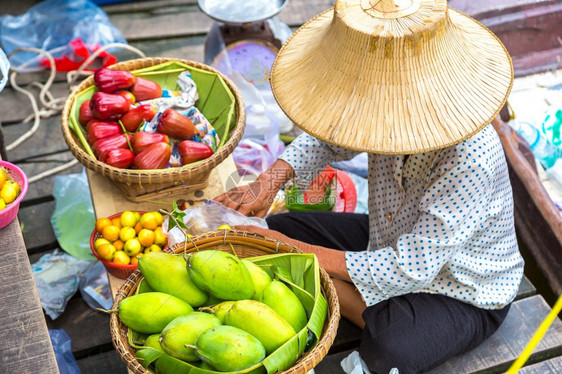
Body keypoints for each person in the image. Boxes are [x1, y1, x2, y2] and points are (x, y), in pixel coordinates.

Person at [215, 0, 525, 372]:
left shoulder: (470, 159)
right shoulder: (383, 109)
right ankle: (324, 278)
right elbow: (330, 138)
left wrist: (297, 252)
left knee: (394, 348)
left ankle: (331, 288)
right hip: (388, 236)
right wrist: (267, 183)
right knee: (279, 229)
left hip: (462, 287)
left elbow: (410, 267)